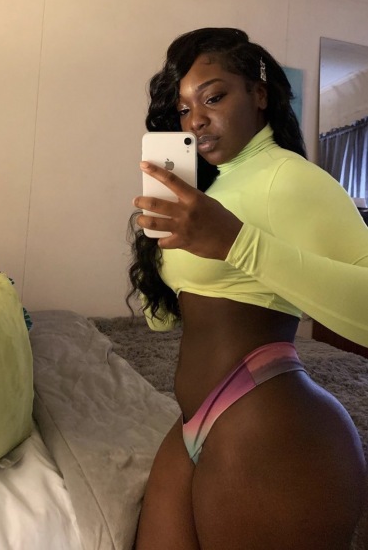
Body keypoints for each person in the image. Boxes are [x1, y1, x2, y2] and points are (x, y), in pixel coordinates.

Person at [128, 28, 367, 550]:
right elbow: (162, 321)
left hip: (269, 421)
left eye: (213, 98)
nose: (196, 120)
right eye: (184, 109)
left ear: (259, 94)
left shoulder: (288, 177)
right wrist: (155, 252)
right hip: (195, 421)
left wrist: (237, 243)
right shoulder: (210, 191)